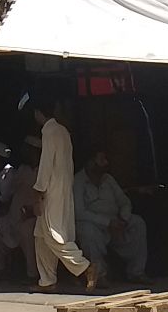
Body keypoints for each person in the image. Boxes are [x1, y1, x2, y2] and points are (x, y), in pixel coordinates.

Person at [29, 95, 96, 292]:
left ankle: (85, 267)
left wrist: (39, 190)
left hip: (52, 192)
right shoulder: (63, 131)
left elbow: (46, 164)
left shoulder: (49, 132)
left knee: (54, 235)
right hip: (63, 189)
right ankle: (47, 280)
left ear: (38, 113)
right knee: (40, 236)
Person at [72, 148, 148, 282]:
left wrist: (123, 219)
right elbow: (79, 212)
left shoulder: (108, 179)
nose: (106, 163)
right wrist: (107, 223)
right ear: (90, 163)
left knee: (138, 222)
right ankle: (99, 275)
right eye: (101, 160)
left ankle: (136, 272)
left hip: (117, 223)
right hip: (96, 225)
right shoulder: (78, 181)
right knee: (87, 230)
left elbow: (124, 201)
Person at [0, 142, 39, 285]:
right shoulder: (21, 170)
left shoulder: (41, 170)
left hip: (33, 215)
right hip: (13, 215)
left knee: (27, 232)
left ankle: (33, 275)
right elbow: (7, 195)